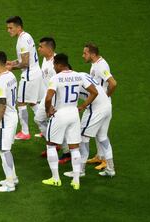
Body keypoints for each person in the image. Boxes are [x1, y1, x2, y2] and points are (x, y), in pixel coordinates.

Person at [43, 53, 97, 190]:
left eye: (55, 64)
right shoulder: (78, 76)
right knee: (74, 148)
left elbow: (48, 98)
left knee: (50, 145)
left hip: (60, 114)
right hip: (74, 114)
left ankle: (55, 178)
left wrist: (48, 109)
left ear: (60, 65)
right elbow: (94, 92)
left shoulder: (56, 78)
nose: (54, 67)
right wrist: (83, 106)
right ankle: (76, 180)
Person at [64, 73, 116, 178]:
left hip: (96, 109)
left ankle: (80, 171)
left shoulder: (72, 81)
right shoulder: (82, 74)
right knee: (102, 137)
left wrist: (83, 106)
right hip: (107, 105)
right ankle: (110, 169)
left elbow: (94, 92)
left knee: (83, 138)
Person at [6, 16, 42, 140]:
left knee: (21, 102)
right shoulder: (27, 36)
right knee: (33, 102)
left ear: (19, 27)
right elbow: (25, 58)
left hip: (29, 75)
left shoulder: (22, 40)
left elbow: (25, 63)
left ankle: (25, 132)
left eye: (11, 28)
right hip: (36, 73)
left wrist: (12, 68)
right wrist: (13, 62)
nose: (8, 30)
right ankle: (46, 128)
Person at [82, 43, 117, 170]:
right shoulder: (95, 64)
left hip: (101, 105)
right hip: (99, 104)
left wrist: (106, 96)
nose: (83, 56)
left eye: (85, 53)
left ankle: (105, 161)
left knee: (101, 134)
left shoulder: (101, 66)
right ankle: (100, 156)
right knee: (99, 133)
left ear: (92, 54)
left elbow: (113, 83)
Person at [0, 51, 19, 192]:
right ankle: (12, 177)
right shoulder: (11, 75)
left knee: (4, 150)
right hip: (13, 115)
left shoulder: (0, 81)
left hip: (5, 120)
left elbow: (2, 103)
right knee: (6, 149)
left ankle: (10, 185)